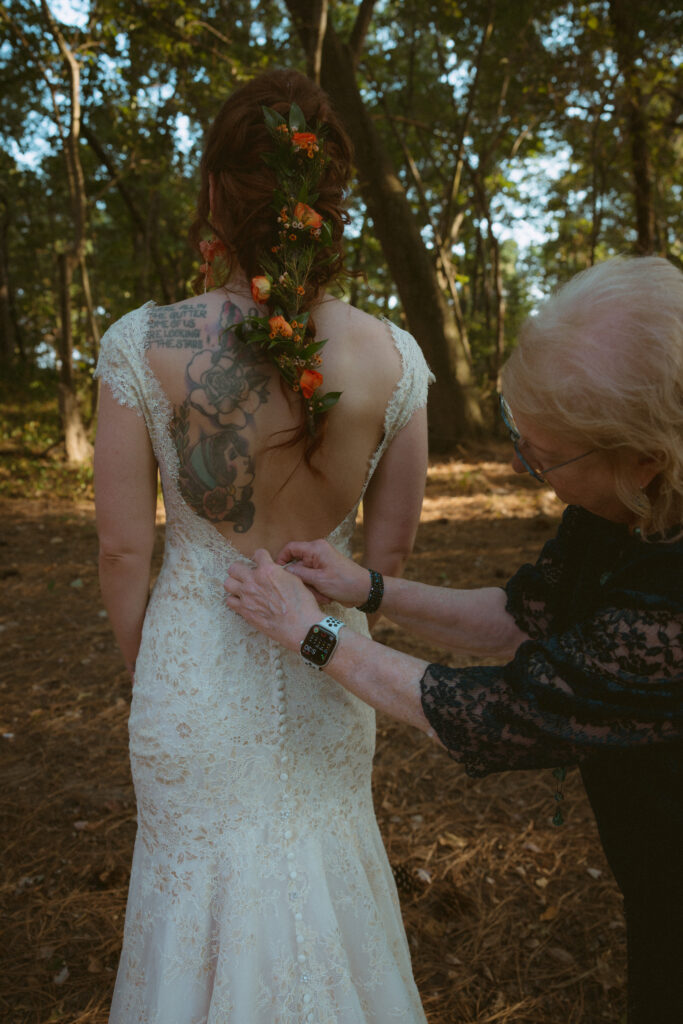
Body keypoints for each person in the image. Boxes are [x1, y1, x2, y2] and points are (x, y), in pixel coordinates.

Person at [225, 256, 683, 1024]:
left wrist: (313, 635)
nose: (517, 462)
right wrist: (367, 588)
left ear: (643, 453)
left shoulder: (665, 610)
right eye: (518, 436)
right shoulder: (625, 504)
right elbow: (521, 615)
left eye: (542, 456)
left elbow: (500, 710)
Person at [94, 69, 433, 1023]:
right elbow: (389, 554)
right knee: (326, 888)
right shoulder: (394, 356)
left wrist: (150, 662)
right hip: (327, 665)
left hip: (189, 676)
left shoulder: (142, 341)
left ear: (215, 195)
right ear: (330, 204)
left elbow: (126, 555)